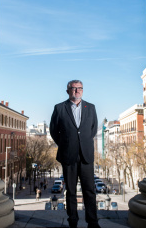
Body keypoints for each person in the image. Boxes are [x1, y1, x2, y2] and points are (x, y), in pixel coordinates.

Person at [50, 80, 100, 228]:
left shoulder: (90, 108)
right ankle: (73, 221)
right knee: (71, 191)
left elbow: (92, 130)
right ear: (68, 91)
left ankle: (92, 222)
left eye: (80, 88)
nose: (77, 91)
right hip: (68, 155)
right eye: (73, 88)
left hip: (86, 156)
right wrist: (66, 144)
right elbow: (54, 130)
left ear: (83, 90)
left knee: (89, 191)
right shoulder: (59, 108)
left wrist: (82, 143)